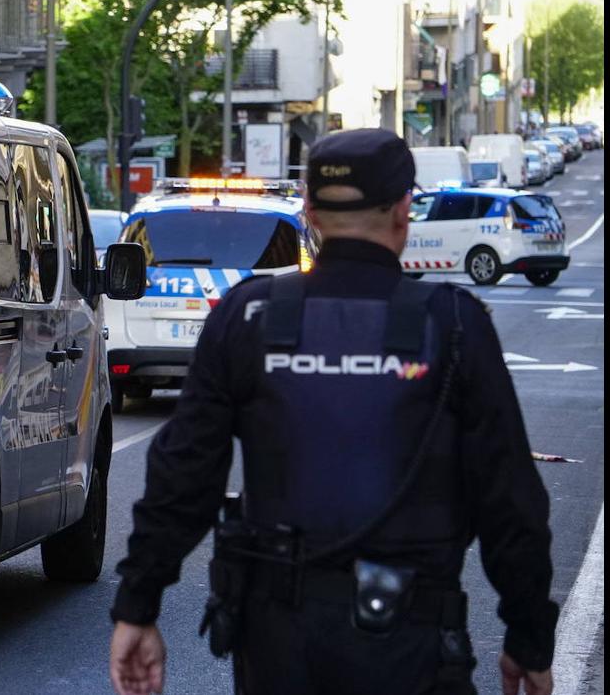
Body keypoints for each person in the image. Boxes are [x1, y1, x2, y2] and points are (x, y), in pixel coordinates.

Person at [109, 129, 557, 695]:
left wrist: (137, 606)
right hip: (413, 641)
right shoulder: (452, 323)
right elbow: (510, 498)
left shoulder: (249, 317)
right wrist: (529, 637)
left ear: (311, 214)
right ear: (402, 213)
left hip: (278, 645)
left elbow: (184, 475)